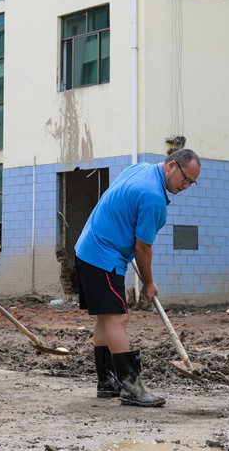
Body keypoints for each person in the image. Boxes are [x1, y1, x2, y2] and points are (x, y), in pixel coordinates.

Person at [72, 149, 202, 408]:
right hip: (102, 255)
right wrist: (149, 282)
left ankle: (107, 381)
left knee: (105, 317)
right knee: (118, 318)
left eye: (192, 183)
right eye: (186, 179)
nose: (187, 187)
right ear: (172, 166)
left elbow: (120, 202)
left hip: (87, 247)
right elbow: (143, 248)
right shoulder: (153, 198)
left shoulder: (142, 169)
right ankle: (131, 386)